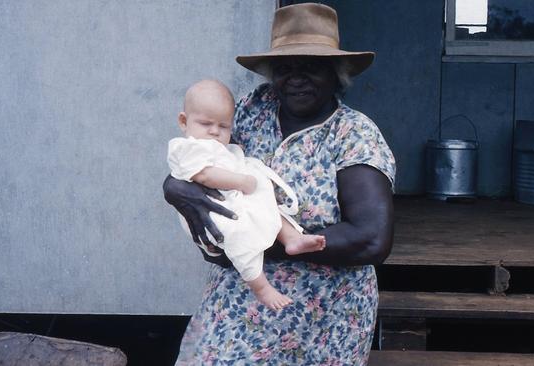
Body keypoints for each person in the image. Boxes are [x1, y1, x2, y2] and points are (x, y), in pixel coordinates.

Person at [164, 3, 396, 365]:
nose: (296, 78)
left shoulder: (353, 134)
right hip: (238, 307)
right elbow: (198, 154)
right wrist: (173, 188)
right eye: (285, 68)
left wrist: (257, 241)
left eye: (311, 67)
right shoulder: (251, 111)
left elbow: (372, 239)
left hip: (321, 318)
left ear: (337, 74)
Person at [167, 79, 326, 311]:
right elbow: (205, 176)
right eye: (205, 124)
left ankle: (291, 236)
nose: (214, 131)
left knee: (266, 205)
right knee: (239, 236)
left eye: (223, 127)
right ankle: (261, 286)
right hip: (216, 206)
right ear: (184, 121)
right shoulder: (186, 147)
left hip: (236, 195)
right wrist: (243, 181)